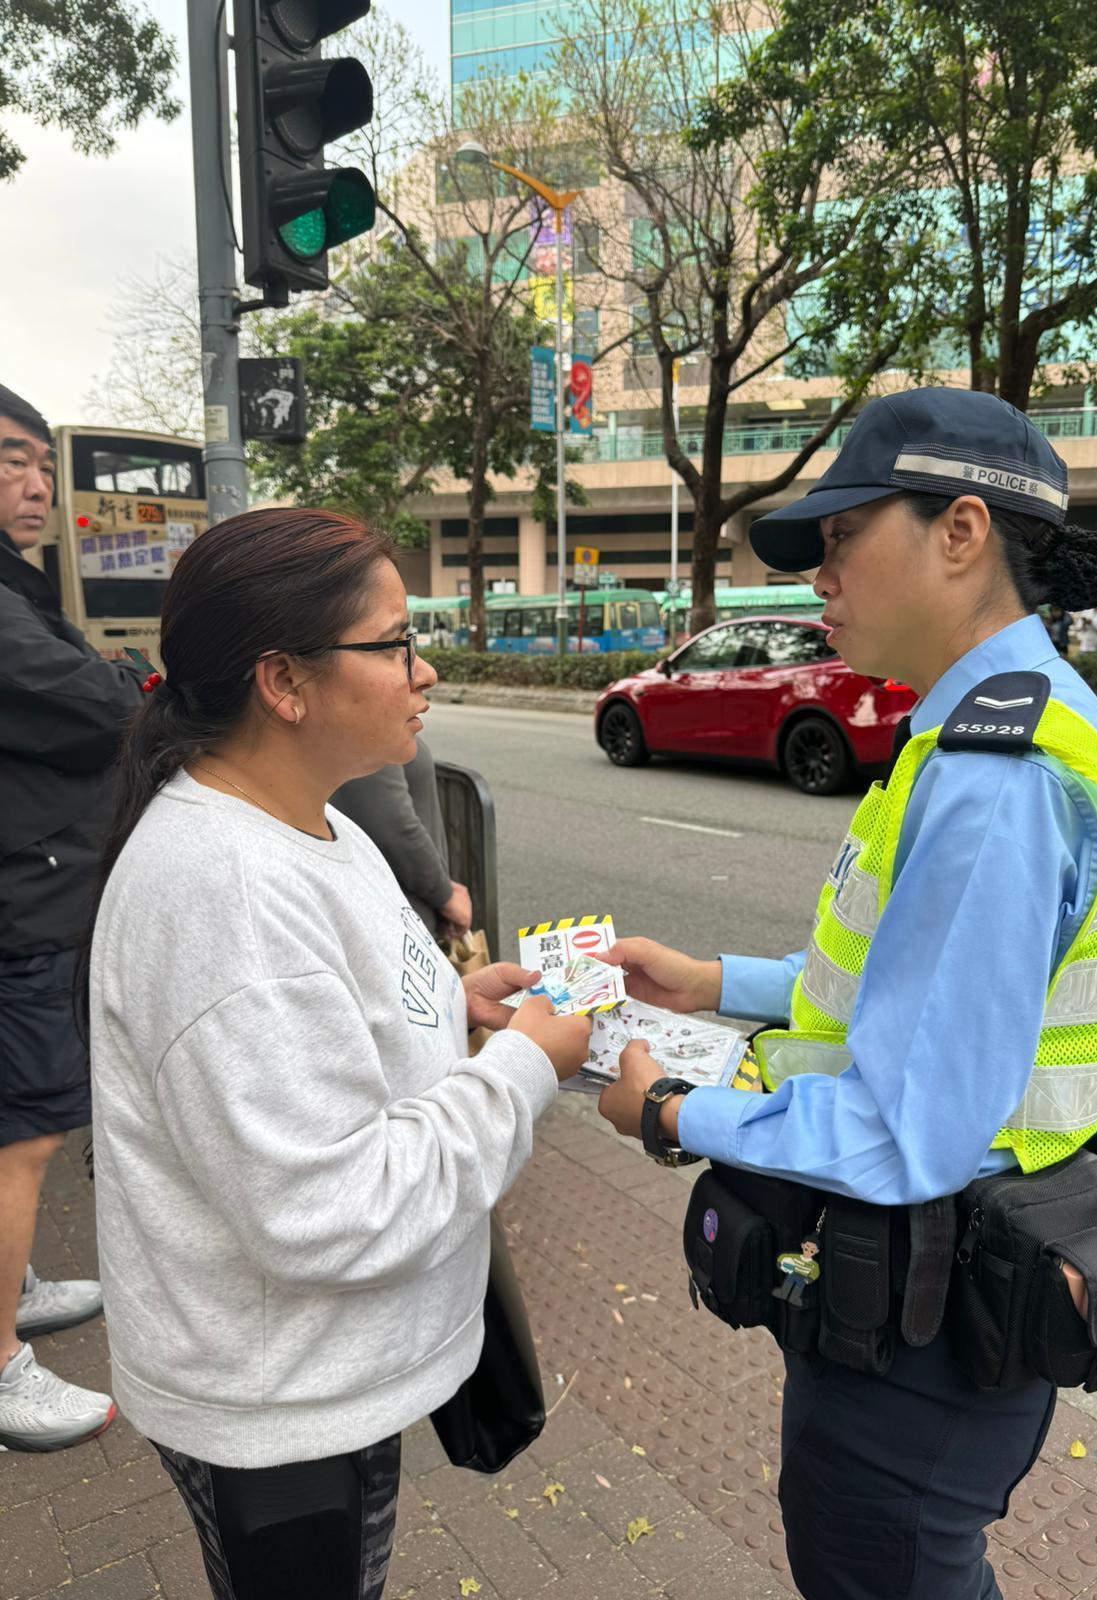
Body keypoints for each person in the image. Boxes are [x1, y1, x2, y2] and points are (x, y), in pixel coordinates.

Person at [593, 388, 1097, 1600]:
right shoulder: (987, 729)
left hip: (929, 1325)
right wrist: (713, 979)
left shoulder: (996, 773)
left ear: (960, 532)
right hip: (941, 1292)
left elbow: (908, 1125)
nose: (820, 578)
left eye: (844, 537)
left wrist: (672, 1110)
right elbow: (903, 990)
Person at [85, 507, 590, 1600]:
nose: (426, 670)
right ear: (284, 680)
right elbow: (327, 1204)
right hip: (277, 1414)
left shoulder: (318, 822)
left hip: (317, 1373)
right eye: (396, 642)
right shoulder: (222, 893)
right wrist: (527, 1069)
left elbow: (336, 1020)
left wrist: (459, 1011)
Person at [0, 383, 145, 1451]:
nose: (37, 486)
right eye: (11, 461)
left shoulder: (19, 590)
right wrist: (126, 684)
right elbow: (103, 706)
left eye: (43, 466)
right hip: (24, 904)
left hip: (30, 887)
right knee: (25, 1135)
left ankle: (13, 1287)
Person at [332, 741, 472, 938]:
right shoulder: (369, 729)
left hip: (396, 909)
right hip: (400, 916)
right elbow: (395, 827)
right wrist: (445, 895)